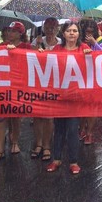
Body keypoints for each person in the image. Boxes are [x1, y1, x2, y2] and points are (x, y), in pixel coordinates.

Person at [45, 21, 91, 175]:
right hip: (60, 96)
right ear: (63, 34)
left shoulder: (84, 48)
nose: (72, 33)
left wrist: (89, 56)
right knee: (58, 129)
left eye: (75, 30)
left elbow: (95, 64)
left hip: (76, 97)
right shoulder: (57, 49)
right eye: (69, 31)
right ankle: (56, 159)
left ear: (79, 34)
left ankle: (73, 161)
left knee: (72, 129)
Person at [0, 21, 33, 163]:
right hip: (3, 84)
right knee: (1, 116)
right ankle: (0, 149)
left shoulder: (27, 47)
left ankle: (15, 141)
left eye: (14, 31)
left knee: (15, 116)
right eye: (9, 30)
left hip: (19, 84)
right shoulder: (1, 46)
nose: (10, 33)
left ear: (20, 33)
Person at [30, 17, 60, 161]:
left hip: (54, 83)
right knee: (37, 116)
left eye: (53, 28)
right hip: (38, 83)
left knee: (49, 117)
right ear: (44, 28)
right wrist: (37, 48)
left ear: (58, 29)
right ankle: (38, 144)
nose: (50, 30)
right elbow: (28, 59)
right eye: (48, 28)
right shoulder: (37, 41)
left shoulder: (61, 43)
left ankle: (47, 146)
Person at [78, 18, 102, 145]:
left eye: (91, 32)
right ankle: (82, 128)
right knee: (81, 106)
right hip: (81, 77)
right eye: (87, 32)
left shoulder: (101, 40)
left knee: (92, 106)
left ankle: (89, 132)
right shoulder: (79, 41)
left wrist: (94, 43)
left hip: (95, 77)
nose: (88, 34)